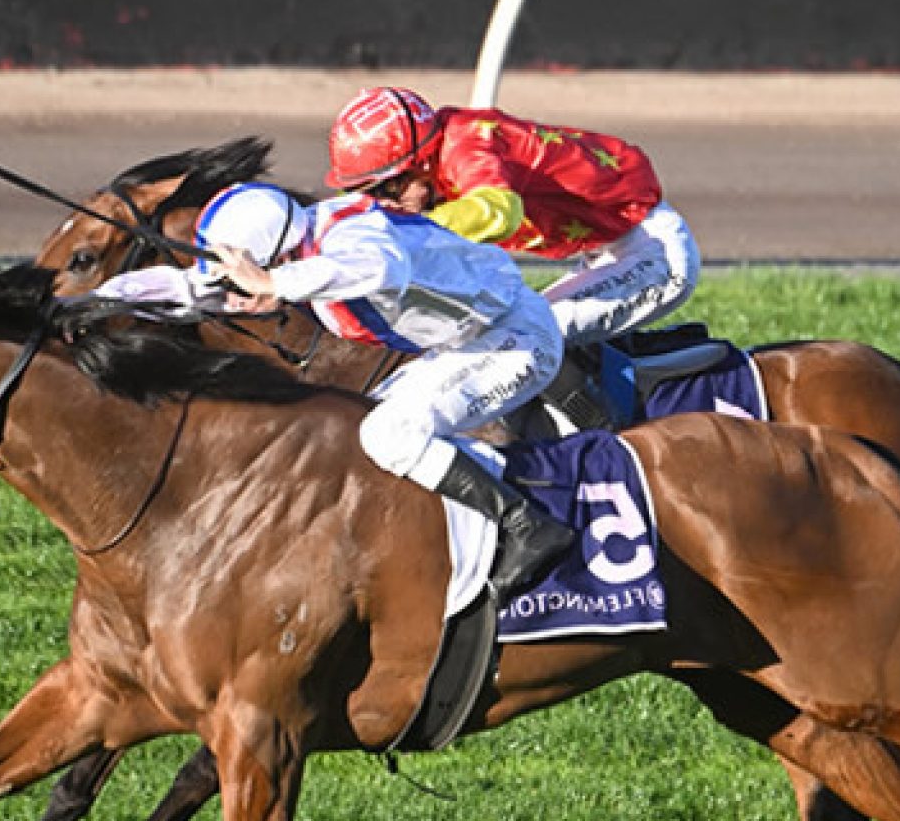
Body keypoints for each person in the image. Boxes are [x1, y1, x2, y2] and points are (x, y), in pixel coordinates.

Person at [91, 181, 574, 601]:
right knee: (359, 436)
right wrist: (94, 300)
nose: (237, 292)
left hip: (516, 338)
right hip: (466, 345)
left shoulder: (352, 234)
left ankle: (526, 526)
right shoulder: (293, 239)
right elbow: (190, 288)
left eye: (249, 276)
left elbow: (381, 269)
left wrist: (274, 282)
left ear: (281, 254)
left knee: (390, 434)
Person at [323, 86, 702, 355]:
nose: (385, 205)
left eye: (386, 191)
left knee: (523, 336)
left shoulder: (466, 143)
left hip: (652, 250)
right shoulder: (438, 151)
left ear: (419, 163)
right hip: (605, 251)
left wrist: (400, 232)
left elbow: (499, 211)